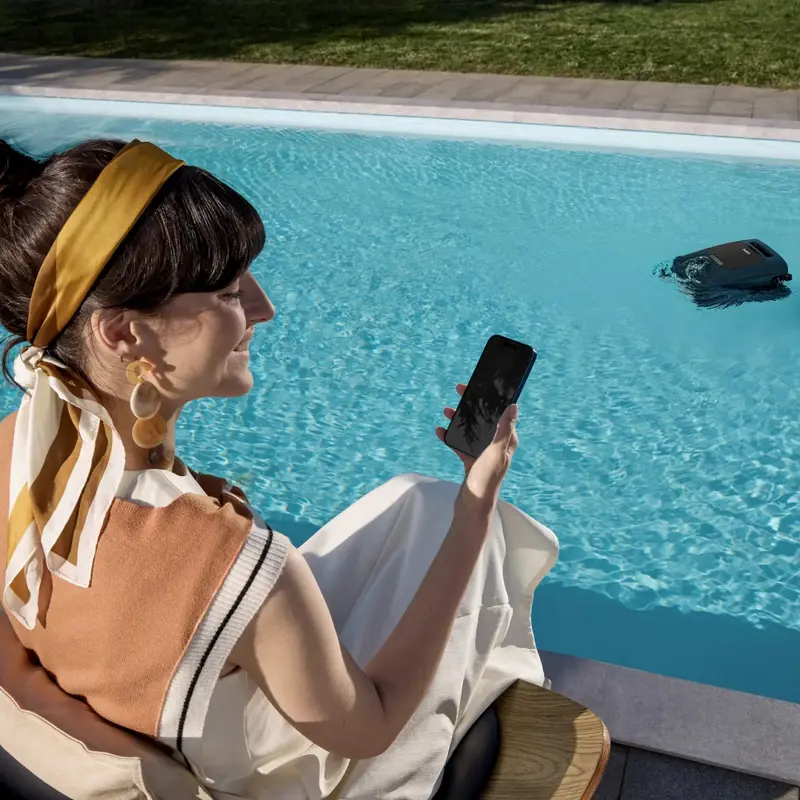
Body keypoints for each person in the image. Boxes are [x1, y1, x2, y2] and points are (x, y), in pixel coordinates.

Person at [0, 138, 556, 799]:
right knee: (464, 533)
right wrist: (477, 506)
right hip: (294, 771)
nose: (263, 309)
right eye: (230, 291)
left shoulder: (19, 451)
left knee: (420, 501)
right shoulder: (227, 557)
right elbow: (371, 730)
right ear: (123, 334)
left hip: (181, 709)